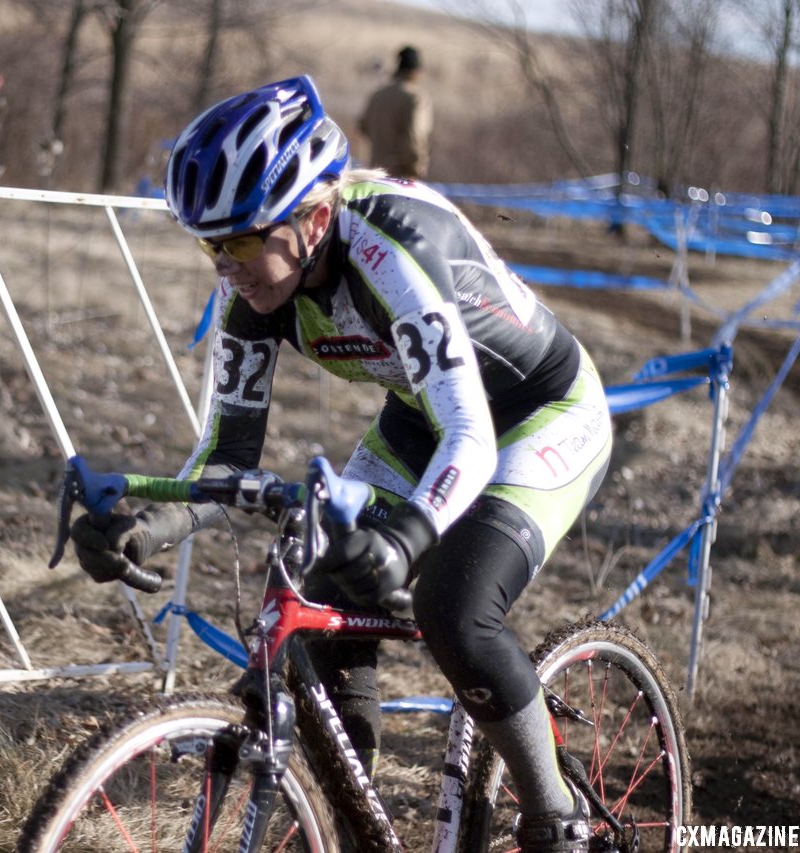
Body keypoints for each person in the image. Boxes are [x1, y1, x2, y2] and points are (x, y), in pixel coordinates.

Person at [69, 76, 611, 853]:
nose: (229, 267)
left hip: (536, 413)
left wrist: (405, 540)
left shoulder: (391, 255)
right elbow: (228, 457)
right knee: (313, 599)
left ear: (316, 218)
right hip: (424, 419)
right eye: (212, 245)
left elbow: (473, 437)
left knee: (454, 610)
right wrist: (145, 526)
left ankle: (557, 818)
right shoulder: (256, 294)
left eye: (246, 241)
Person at [359, 45, 434, 180]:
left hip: (375, 173)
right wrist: (415, 169)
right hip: (401, 176)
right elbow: (415, 136)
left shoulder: (378, 95)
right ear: (416, 71)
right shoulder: (416, 98)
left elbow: (363, 126)